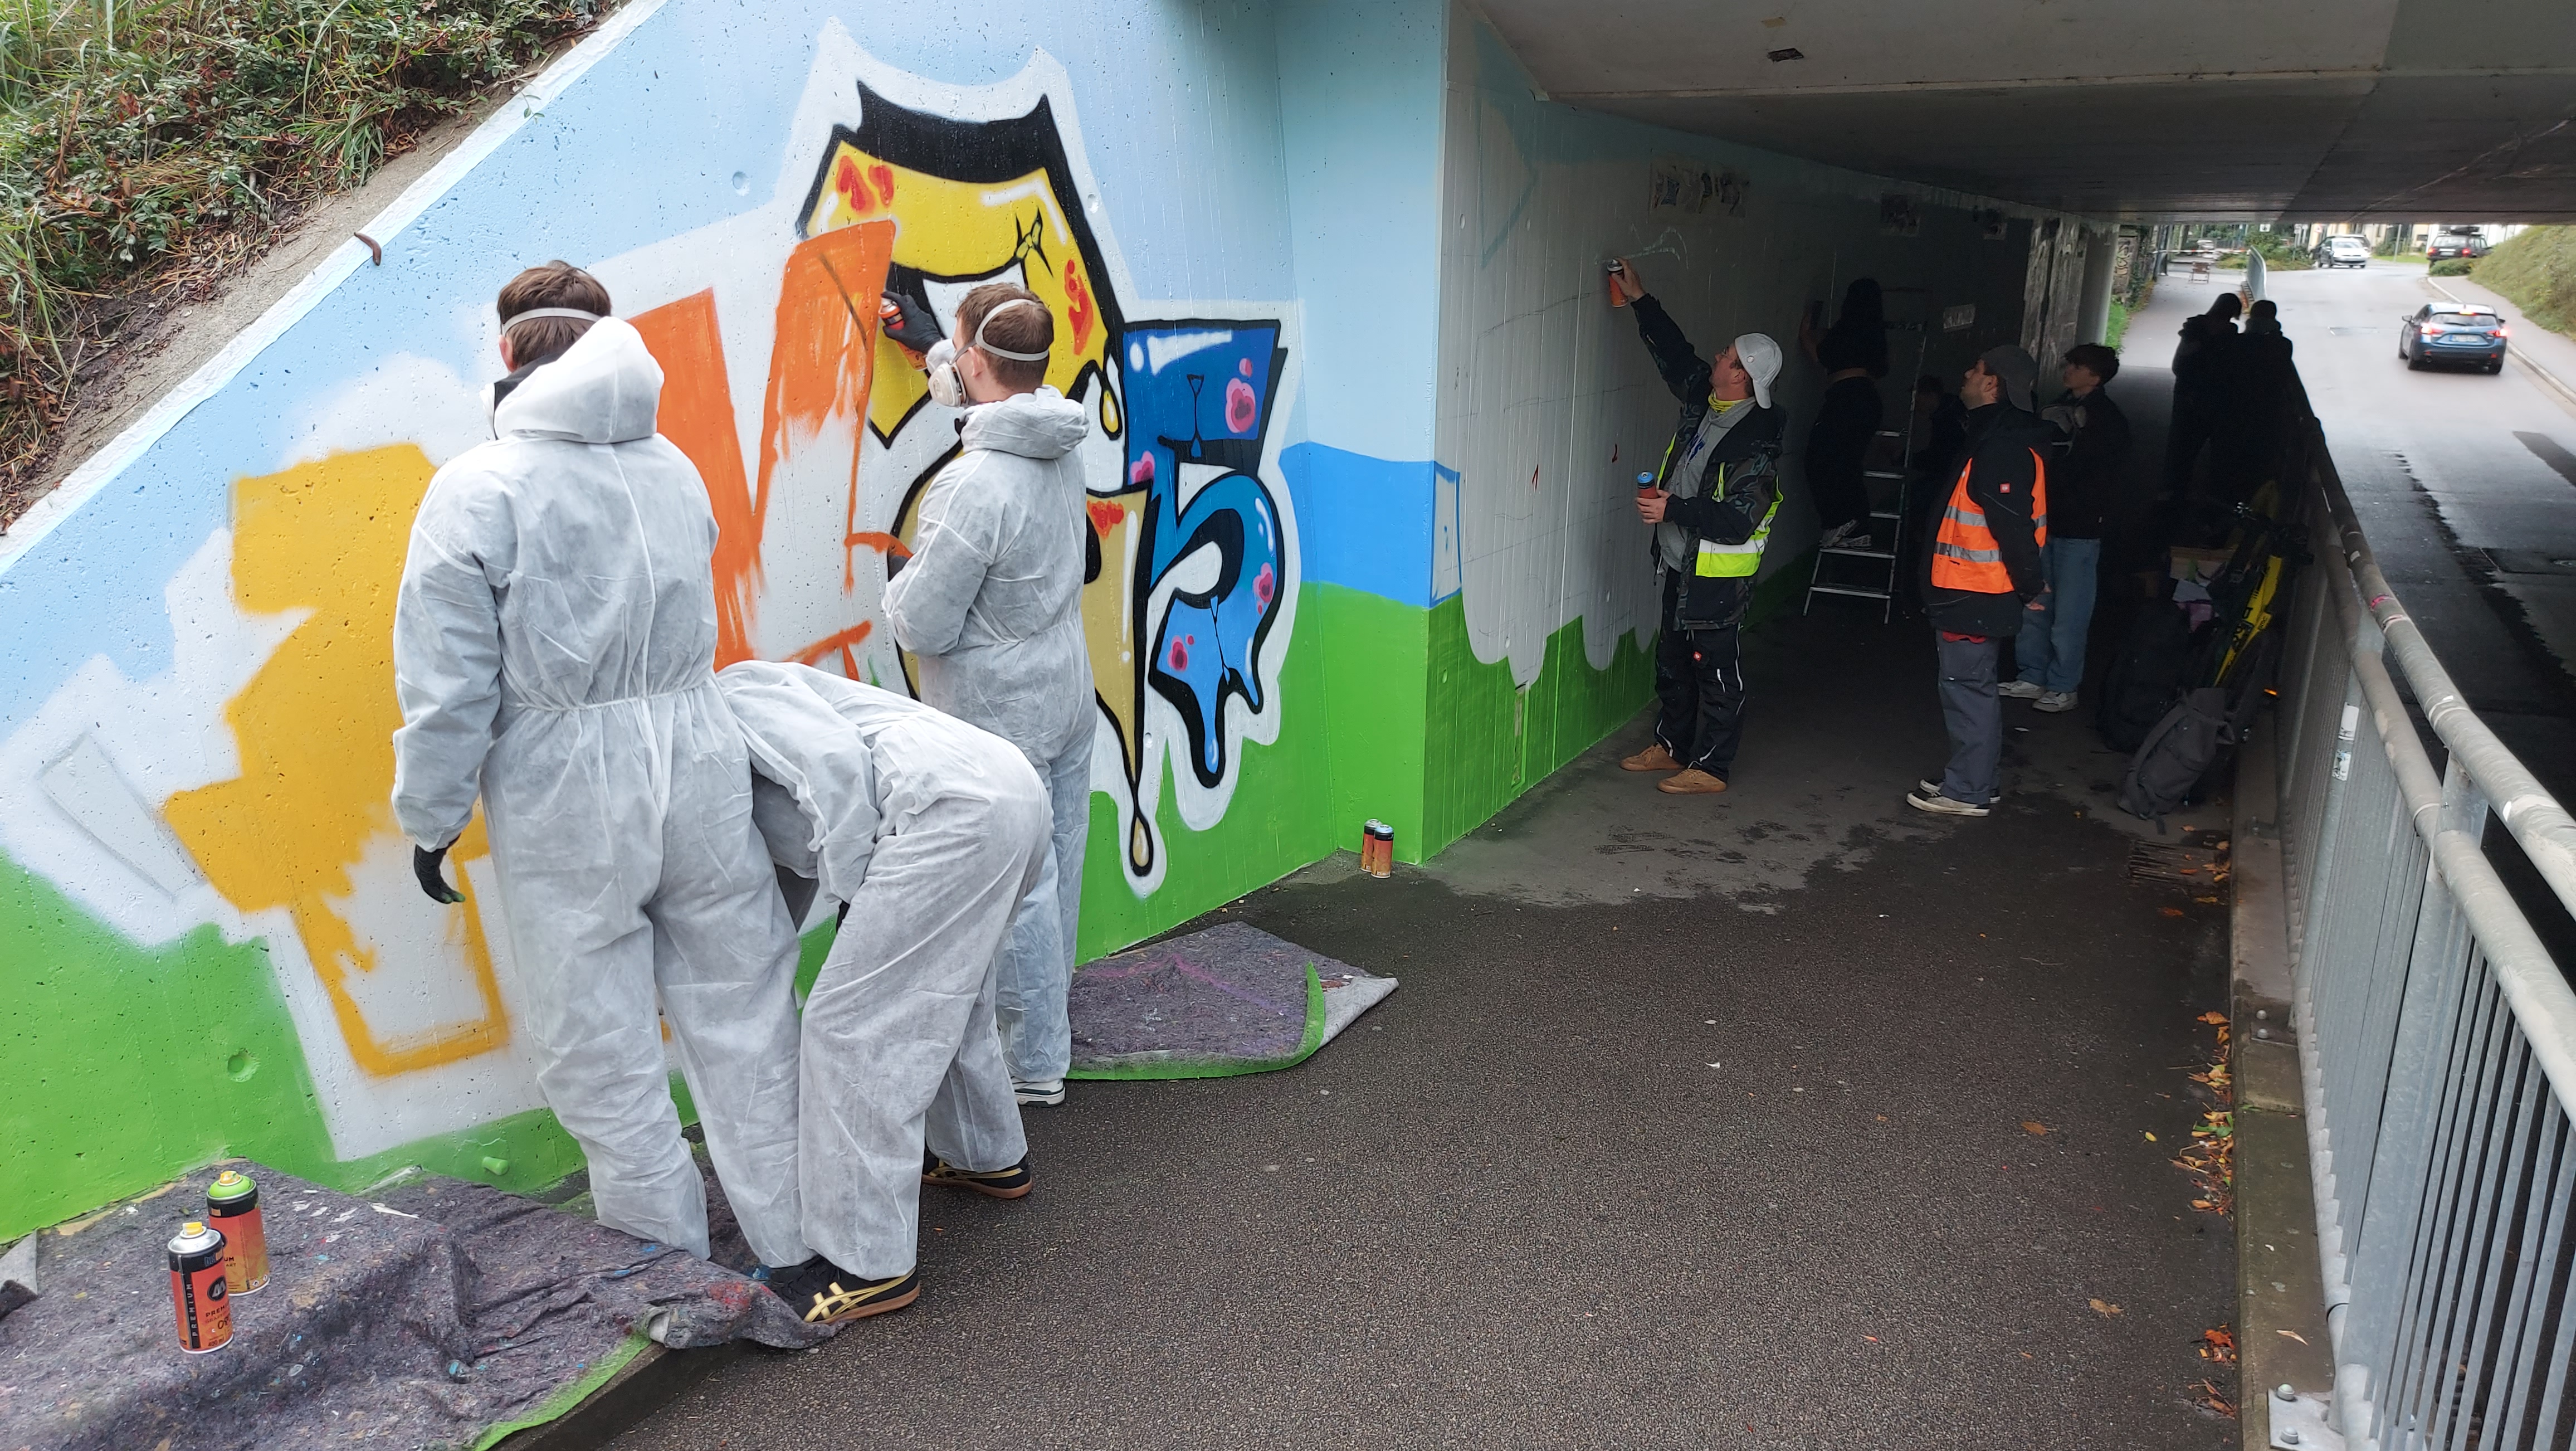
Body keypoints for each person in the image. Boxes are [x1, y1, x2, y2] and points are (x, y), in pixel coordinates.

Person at [391, 262, 808, 1271]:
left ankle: (668, 1272)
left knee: (600, 1045)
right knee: (748, 1012)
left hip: (566, 789)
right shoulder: (674, 466)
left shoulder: (478, 487)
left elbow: (450, 686)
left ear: (507, 353)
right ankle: (807, 1244)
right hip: (700, 759)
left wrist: (432, 814)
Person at [715, 660, 1050, 1325]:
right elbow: (792, 851)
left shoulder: (730, 695)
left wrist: (853, 892)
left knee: (850, 1028)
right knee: (952, 999)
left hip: (946, 812)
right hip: (1004, 790)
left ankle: (869, 1264)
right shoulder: (757, 699)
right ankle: (987, 1158)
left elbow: (831, 773)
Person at [881, 283, 1093, 1107]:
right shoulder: (1058, 436)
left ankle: (1033, 1066)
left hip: (999, 710)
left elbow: (922, 627)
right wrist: (937, 351)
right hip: (1062, 687)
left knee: (1020, 886)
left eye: (960, 353)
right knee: (1058, 867)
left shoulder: (970, 489)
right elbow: (1001, 410)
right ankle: (1047, 1036)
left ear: (978, 361)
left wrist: (900, 584)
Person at [1606, 257, 1785, 796]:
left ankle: (1710, 767)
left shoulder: (1755, 440)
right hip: (1681, 562)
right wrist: (1641, 299)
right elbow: (1675, 355)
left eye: (1727, 355)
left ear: (1743, 376)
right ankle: (1671, 746)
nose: (1718, 355)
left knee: (1716, 669)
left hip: (1716, 577)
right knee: (1673, 660)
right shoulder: (1705, 404)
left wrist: (1673, 510)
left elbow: (1736, 519)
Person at [1909, 345, 2050, 818]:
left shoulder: (2002, 445)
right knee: (1974, 685)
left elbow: (2012, 523)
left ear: (1993, 385)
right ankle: (1974, 780)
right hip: (1976, 587)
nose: (1966, 374)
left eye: (1975, 369)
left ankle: (1967, 790)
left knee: (1968, 687)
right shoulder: (2001, 435)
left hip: (1975, 588)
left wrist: (2030, 586)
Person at [2003, 343, 2131, 713]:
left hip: (2081, 526)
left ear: (2096, 376)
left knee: (2070, 613)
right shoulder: (2060, 407)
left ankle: (2063, 684)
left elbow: (2105, 473)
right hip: (2049, 519)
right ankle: (2033, 676)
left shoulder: (2105, 419)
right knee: (2036, 602)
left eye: (2077, 366)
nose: (2068, 369)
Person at [1800, 278, 1889, 550]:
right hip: (1866, 399)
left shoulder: (1846, 330)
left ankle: (1839, 521)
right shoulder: (1874, 333)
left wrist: (1807, 332)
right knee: (1847, 463)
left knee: (1819, 457)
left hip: (1845, 398)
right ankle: (1856, 525)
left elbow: (1821, 355)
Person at [2163, 293, 2241, 505]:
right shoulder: (2231, 334)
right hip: (2215, 394)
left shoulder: (2195, 327)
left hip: (2187, 390)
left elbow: (2181, 362)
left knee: (2180, 442)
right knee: (2216, 444)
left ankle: (2173, 489)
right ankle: (2211, 495)